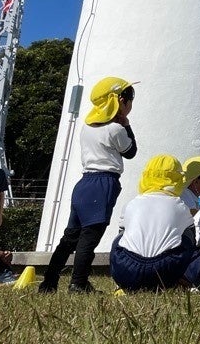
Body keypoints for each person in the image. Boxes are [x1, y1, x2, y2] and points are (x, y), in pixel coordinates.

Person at [40, 77, 138, 293]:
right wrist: (127, 125)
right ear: (120, 100)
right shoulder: (115, 129)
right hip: (104, 183)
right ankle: (78, 282)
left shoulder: (87, 127)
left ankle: (49, 281)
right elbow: (131, 152)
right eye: (130, 98)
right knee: (90, 237)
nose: (131, 103)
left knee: (70, 236)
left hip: (84, 183)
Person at [110, 155, 195, 292]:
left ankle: (121, 285)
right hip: (164, 273)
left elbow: (121, 236)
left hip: (126, 271)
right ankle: (179, 279)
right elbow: (190, 239)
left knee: (121, 237)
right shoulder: (180, 206)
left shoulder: (131, 204)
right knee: (188, 233)